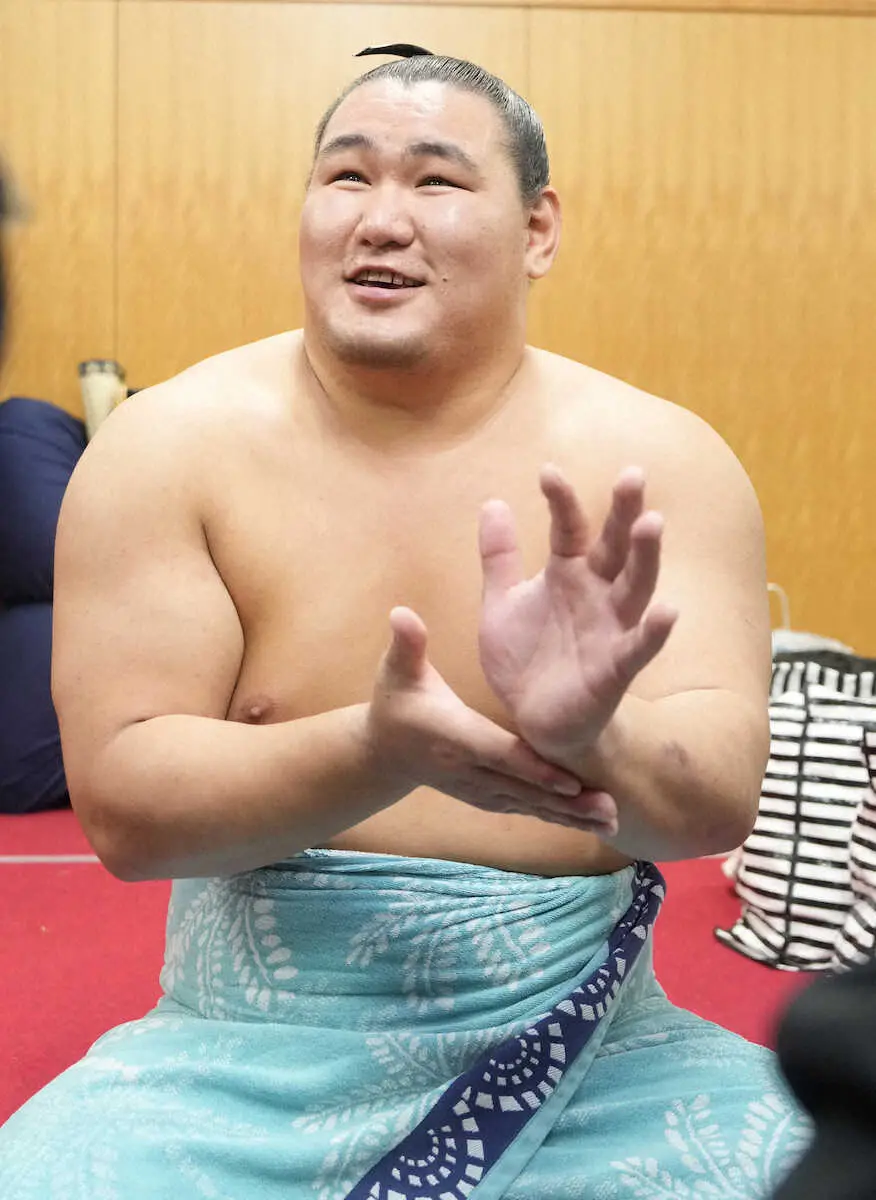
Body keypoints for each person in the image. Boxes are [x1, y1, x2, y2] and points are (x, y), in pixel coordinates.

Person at [0, 52, 812, 1198]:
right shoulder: (165, 449)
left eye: (435, 180)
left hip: (599, 1047)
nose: (381, 219)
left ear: (537, 229)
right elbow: (130, 817)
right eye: (346, 176)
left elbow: (714, 804)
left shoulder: (664, 461)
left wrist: (597, 739)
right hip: (239, 1058)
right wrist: (374, 751)